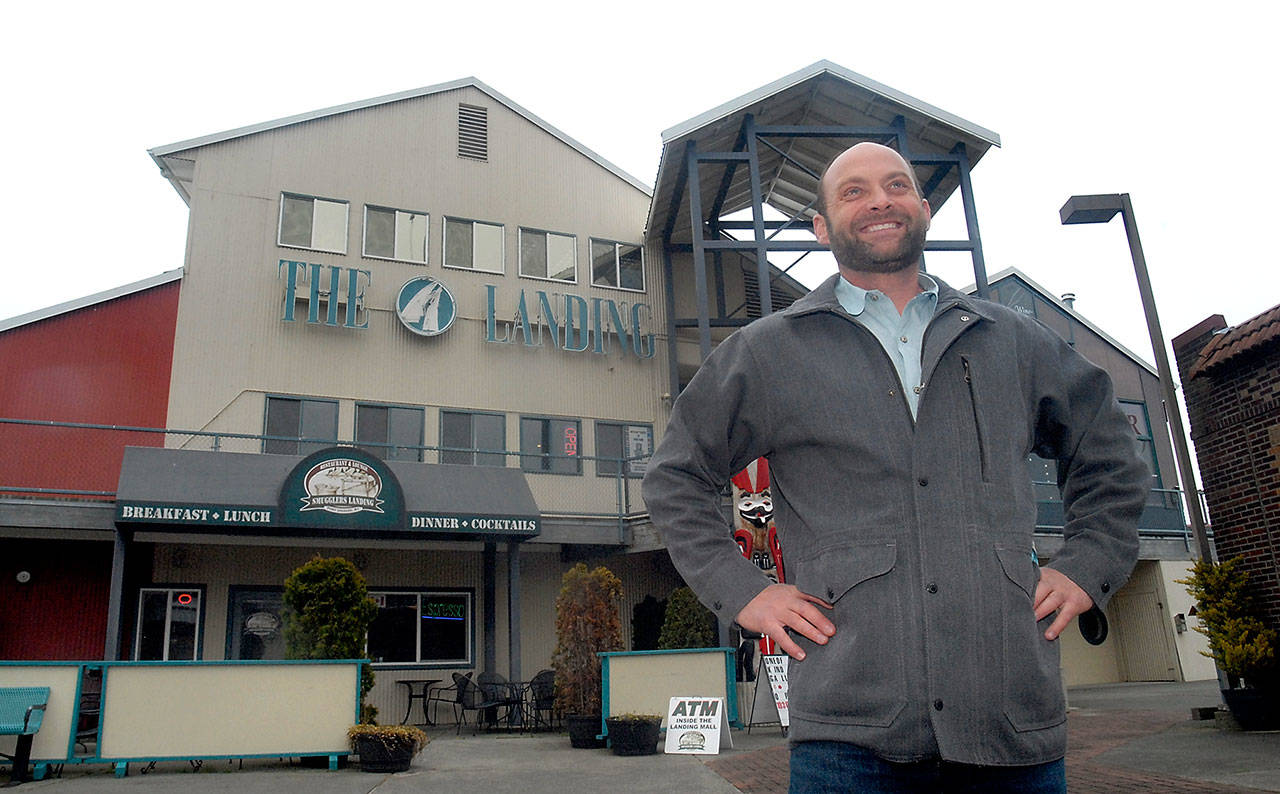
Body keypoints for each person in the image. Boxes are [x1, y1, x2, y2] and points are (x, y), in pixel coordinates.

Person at [641, 142, 1148, 793]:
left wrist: (1088, 565)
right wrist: (744, 592)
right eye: (853, 191)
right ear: (822, 227)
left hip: (1013, 724)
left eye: (896, 185)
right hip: (849, 742)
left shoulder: (1013, 341)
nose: (879, 199)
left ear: (923, 208)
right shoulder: (767, 353)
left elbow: (1111, 457)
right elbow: (675, 477)